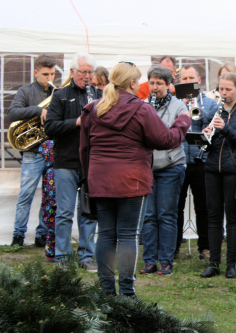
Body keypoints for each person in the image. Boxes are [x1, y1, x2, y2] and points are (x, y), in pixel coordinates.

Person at [80, 62, 191, 296]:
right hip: (132, 180)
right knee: (128, 235)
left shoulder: (93, 108)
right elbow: (166, 140)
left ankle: (106, 291)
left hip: (100, 179)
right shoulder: (141, 109)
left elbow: (84, 149)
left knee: (106, 234)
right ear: (132, 84)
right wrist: (183, 121)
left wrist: (90, 176)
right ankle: (127, 293)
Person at [44, 53, 102, 271]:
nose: (86, 76)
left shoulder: (99, 95)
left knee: (88, 213)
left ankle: (87, 257)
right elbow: (49, 128)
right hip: (66, 162)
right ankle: (63, 258)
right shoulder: (60, 96)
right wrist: (76, 122)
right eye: (83, 72)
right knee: (65, 213)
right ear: (72, 72)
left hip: (91, 163)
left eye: (90, 72)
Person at [200, 72, 236, 279]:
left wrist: (225, 129)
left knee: (232, 218)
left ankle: (231, 265)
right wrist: (205, 137)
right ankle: (213, 263)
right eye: (221, 89)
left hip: (234, 170)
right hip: (212, 170)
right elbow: (208, 145)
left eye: (228, 90)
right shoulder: (214, 111)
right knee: (213, 217)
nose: (223, 93)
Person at [139, 65, 188, 276]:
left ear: (168, 85)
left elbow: (173, 134)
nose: (155, 87)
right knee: (149, 215)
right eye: (152, 83)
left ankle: (166, 262)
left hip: (171, 166)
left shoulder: (179, 107)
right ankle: (149, 261)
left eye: (159, 83)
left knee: (166, 215)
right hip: (148, 167)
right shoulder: (142, 105)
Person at [7, 55, 55, 248]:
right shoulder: (25, 91)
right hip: (33, 151)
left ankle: (42, 234)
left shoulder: (57, 93)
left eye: (52, 74)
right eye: (45, 74)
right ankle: (18, 234)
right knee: (25, 194)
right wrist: (37, 110)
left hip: (52, 151)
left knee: (49, 196)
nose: (49, 78)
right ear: (36, 73)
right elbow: (12, 113)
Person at [175, 65, 219, 260]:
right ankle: (173, 247)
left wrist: (199, 111)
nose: (187, 82)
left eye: (191, 78)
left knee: (204, 206)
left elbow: (214, 125)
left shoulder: (209, 103)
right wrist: (182, 107)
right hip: (178, 159)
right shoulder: (174, 102)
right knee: (176, 205)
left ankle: (205, 247)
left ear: (198, 80)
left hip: (201, 160)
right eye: (184, 79)